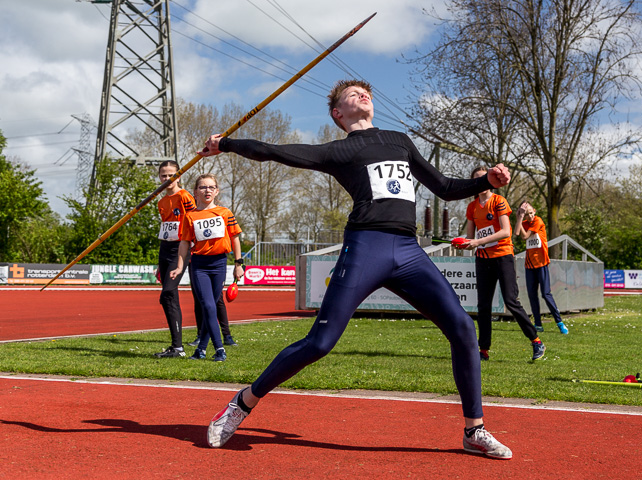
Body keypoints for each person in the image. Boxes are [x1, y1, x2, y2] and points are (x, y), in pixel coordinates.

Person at [197, 79, 513, 459]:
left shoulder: (400, 141)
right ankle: (241, 404)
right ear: (338, 113)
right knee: (320, 344)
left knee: (463, 327)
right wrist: (226, 144)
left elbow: (444, 186)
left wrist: (486, 181)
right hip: (366, 247)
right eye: (352, 95)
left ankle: (474, 430)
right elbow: (274, 151)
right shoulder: (339, 151)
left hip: (408, 250)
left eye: (367, 93)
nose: (363, 95)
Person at [456, 167, 545, 362]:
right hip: (483, 259)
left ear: (490, 180)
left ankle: (536, 341)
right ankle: (484, 350)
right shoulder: (471, 207)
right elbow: (471, 238)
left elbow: (506, 231)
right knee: (483, 306)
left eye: (482, 180)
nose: (480, 184)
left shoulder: (499, 201)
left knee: (511, 301)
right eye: (476, 181)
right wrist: (464, 243)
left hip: (503, 256)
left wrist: (478, 242)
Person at [169, 174, 244, 362]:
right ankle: (220, 349)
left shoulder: (225, 213)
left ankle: (201, 350)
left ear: (217, 191)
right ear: (195, 192)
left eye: (211, 187)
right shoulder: (190, 216)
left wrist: (238, 264)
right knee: (209, 306)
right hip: (199, 265)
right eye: (203, 187)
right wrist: (179, 267)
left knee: (211, 308)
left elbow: (235, 238)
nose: (207, 190)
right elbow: (184, 243)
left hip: (219, 264)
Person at [154, 160, 196, 358]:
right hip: (165, 248)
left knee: (169, 293)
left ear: (178, 176)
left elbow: (194, 220)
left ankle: (178, 348)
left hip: (181, 247)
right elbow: (165, 230)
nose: (167, 179)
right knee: (167, 296)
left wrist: (190, 248)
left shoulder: (185, 197)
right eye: (163, 175)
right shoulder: (161, 202)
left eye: (171, 175)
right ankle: (176, 346)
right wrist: (158, 264)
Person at [514, 201, 568, 335]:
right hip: (529, 265)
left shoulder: (538, 221)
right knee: (532, 295)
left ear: (535, 211)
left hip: (541, 263)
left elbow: (525, 235)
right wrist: (519, 218)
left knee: (545, 293)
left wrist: (521, 220)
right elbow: (516, 233)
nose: (530, 216)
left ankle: (559, 322)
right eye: (527, 214)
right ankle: (538, 324)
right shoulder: (525, 222)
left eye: (531, 213)